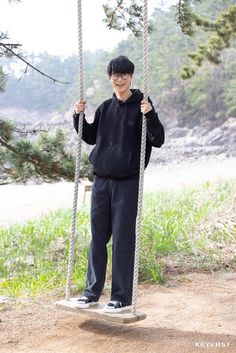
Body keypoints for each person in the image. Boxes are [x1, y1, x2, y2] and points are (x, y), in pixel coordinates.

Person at [73, 55, 165, 313]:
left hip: (127, 182)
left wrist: (151, 114)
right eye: (115, 74)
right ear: (110, 77)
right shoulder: (104, 107)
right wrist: (77, 116)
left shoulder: (143, 106)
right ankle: (91, 293)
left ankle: (121, 297)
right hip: (101, 181)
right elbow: (89, 136)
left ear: (131, 76)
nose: (119, 79)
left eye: (124, 74)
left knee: (123, 239)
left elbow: (158, 140)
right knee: (98, 238)